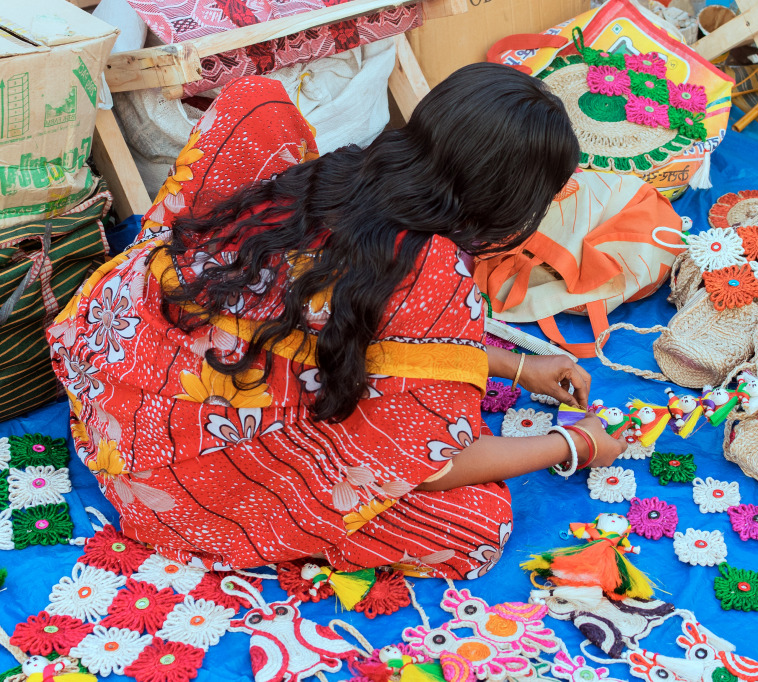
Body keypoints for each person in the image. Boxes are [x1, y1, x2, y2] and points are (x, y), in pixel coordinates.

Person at [48, 64, 626, 579]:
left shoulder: (339, 172)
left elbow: (353, 332)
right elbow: (429, 464)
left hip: (113, 371)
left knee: (261, 108)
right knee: (476, 524)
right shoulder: (436, 269)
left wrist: (518, 366)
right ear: (508, 198)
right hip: (178, 476)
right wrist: (572, 444)